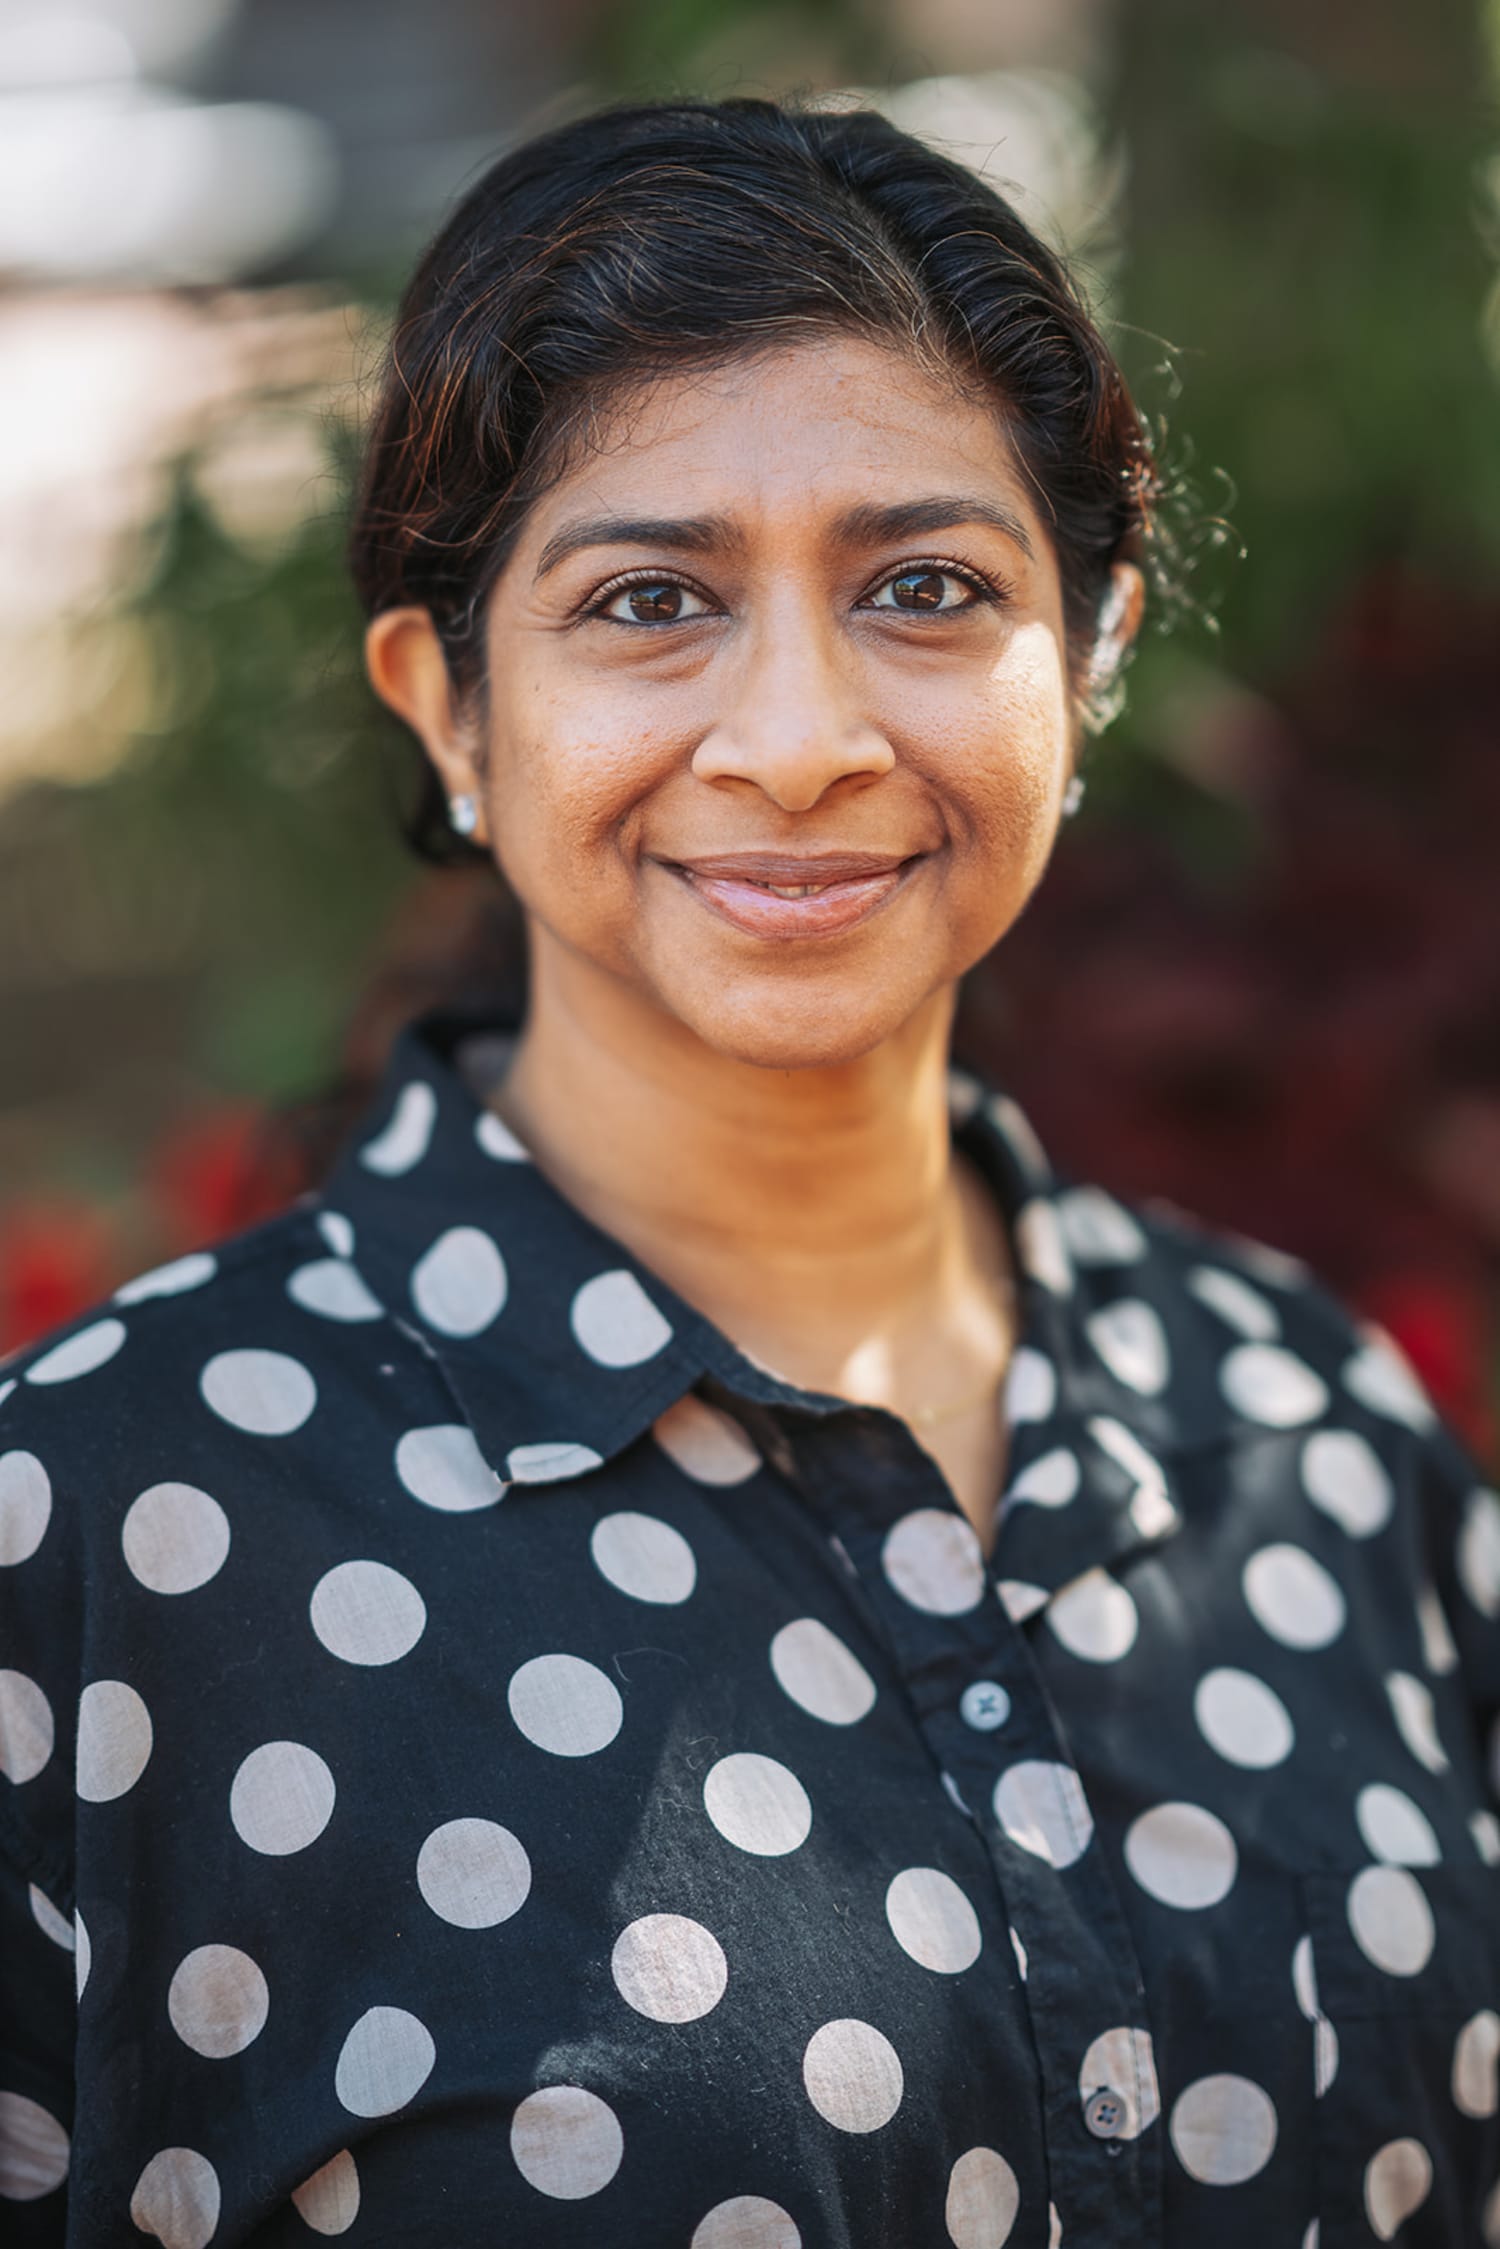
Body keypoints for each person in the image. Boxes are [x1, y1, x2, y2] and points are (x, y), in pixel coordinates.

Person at [1, 95, 1497, 2249]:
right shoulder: (103, 1535)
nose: (799, 736)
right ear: (450, 708)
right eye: (646, 601)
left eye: (923, 587)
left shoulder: (1309, 1430)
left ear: (1084, 660)